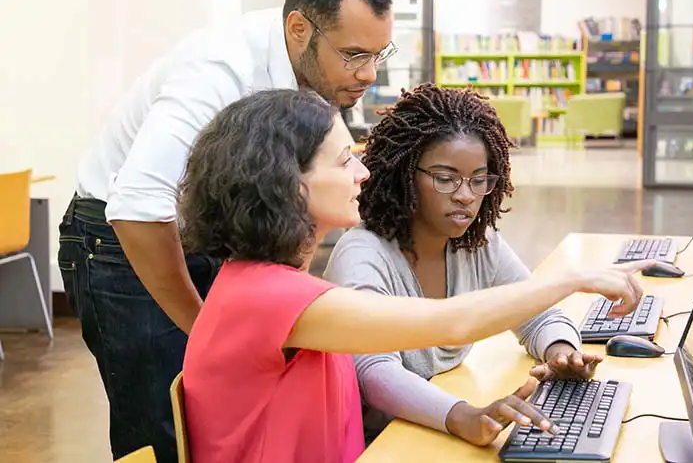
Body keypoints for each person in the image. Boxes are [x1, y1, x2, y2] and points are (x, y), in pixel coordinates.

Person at [179, 88, 652, 463]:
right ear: (287, 181)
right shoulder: (269, 296)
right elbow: (450, 323)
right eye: (345, 160)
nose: (363, 172)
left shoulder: (267, 283)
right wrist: (570, 279)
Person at [55, 0, 395, 460]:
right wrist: (207, 331)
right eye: (354, 55)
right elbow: (136, 206)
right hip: (119, 239)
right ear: (299, 28)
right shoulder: (221, 68)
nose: (369, 74)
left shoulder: (312, 69)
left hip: (193, 235)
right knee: (165, 431)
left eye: (378, 54)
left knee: (221, 417)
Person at [322, 83, 602, 446]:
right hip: (379, 441)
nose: (466, 196)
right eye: (445, 179)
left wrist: (562, 353)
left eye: (478, 180)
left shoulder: (477, 243)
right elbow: (373, 370)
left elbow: (538, 314)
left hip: (441, 431)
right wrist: (462, 416)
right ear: (405, 175)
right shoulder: (362, 254)